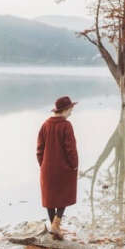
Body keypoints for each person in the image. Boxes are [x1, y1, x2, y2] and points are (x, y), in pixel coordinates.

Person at [36, 95, 79, 240]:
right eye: (71, 109)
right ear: (65, 110)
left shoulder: (45, 125)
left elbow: (39, 149)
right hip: (63, 168)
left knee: (50, 198)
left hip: (47, 169)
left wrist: (43, 164)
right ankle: (56, 225)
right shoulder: (66, 125)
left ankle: (54, 227)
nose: (72, 112)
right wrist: (74, 165)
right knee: (63, 195)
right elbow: (70, 149)